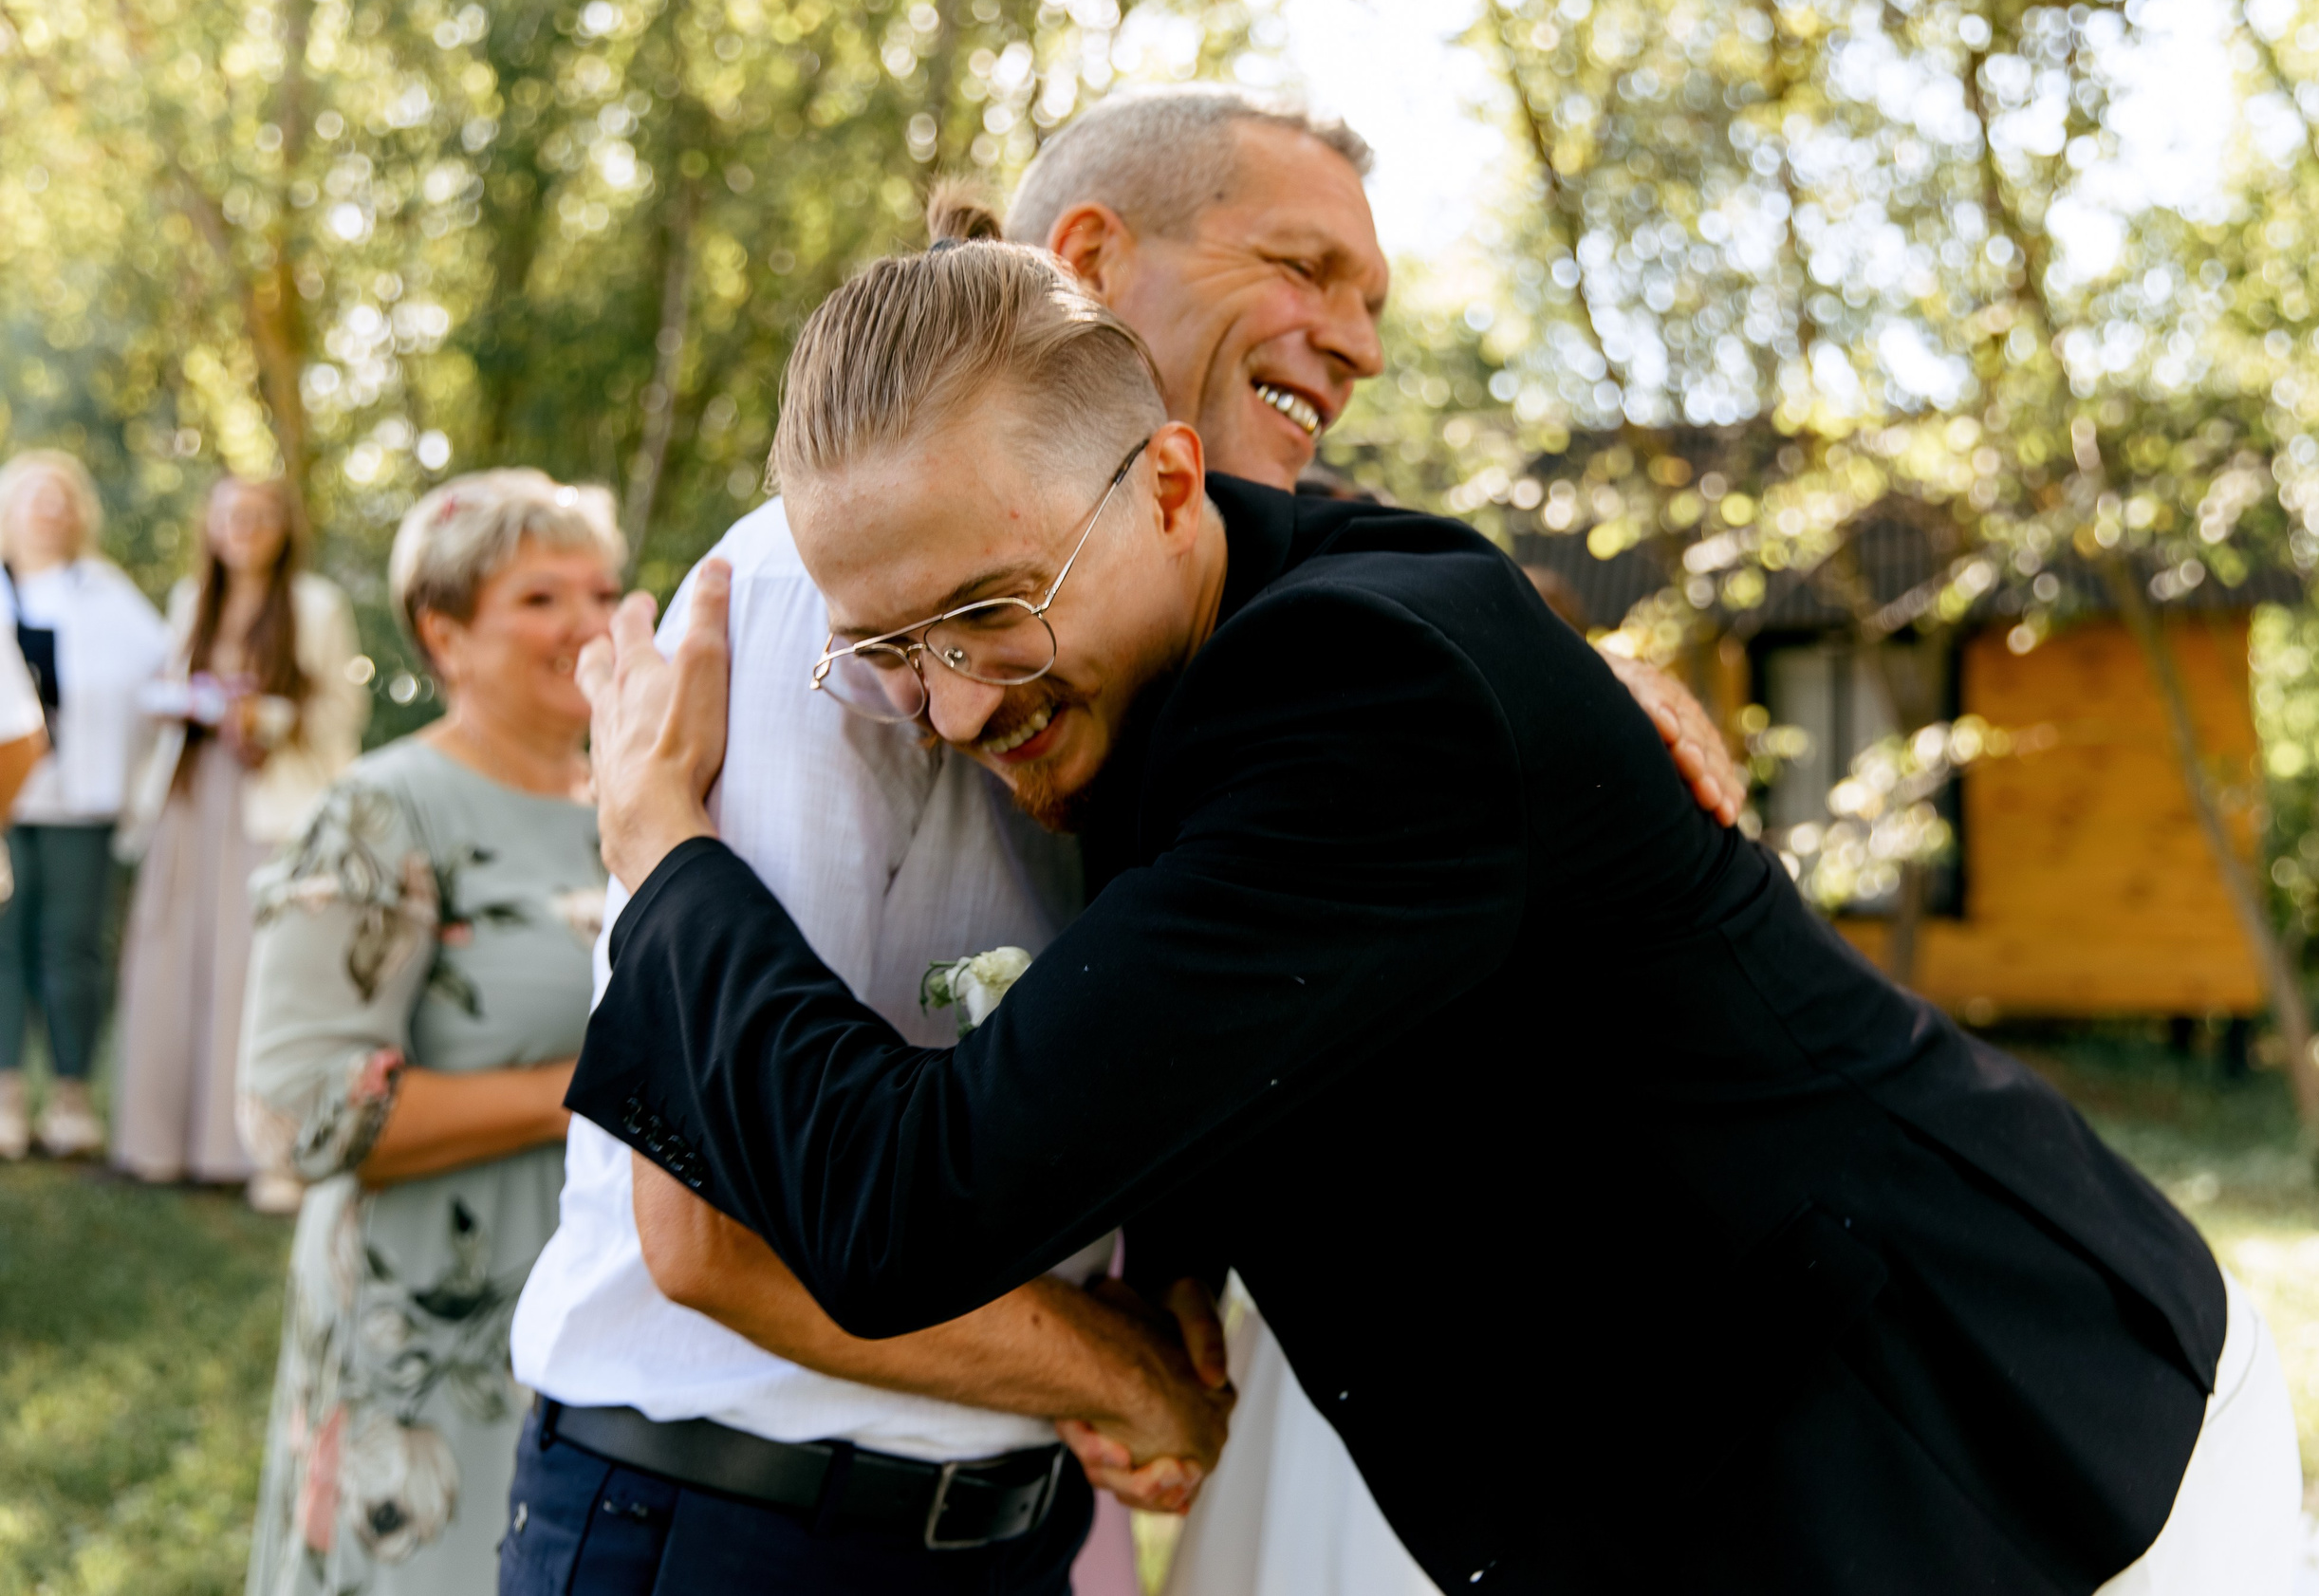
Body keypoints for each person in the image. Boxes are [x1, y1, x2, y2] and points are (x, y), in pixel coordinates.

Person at [569, 208, 2303, 1594]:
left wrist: (662, 851)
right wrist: (1171, 1248)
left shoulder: (1358, 699)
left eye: (988, 617)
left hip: (1976, 1437)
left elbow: (911, 1206)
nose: (949, 708)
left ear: (1169, 485)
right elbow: (1241, 1031)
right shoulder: (1202, 639)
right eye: (886, 658)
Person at [504, 92, 1742, 1596]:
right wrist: (1120, 1372)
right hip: (739, 1522)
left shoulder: (1242, 626)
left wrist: (1566, 693)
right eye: (1305, 267)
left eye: (1369, 300)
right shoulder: (808, 604)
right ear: (1088, 254)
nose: (1353, 339)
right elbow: (710, 1237)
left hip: (1005, 1520)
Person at [239, 471, 621, 1595]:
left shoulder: (642, 804)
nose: (589, 624)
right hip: (423, 1352)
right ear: (442, 633)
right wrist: (609, 1087)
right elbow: (298, 1112)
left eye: (603, 592)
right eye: (542, 599)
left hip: (599, 1337)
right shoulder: (380, 810)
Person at [111, 475, 364, 1208]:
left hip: (271, 806)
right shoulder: (191, 601)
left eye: (259, 516)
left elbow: (341, 710)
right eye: (231, 516)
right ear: (213, 527)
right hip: (191, 801)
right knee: (172, 962)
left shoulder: (317, 605)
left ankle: (257, 1152)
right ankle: (160, 1143)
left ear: (283, 527)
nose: (244, 528)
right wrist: (182, 701)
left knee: (251, 970)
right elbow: (166, 686)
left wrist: (266, 719)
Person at [0, 451, 156, 1160]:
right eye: (34, 495)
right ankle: (4, 1096)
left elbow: (161, 674)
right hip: (7, 797)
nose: (47, 509)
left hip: (78, 798)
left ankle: (70, 1096)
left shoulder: (107, 593)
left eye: (61, 497)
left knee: (73, 949)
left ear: (78, 514)